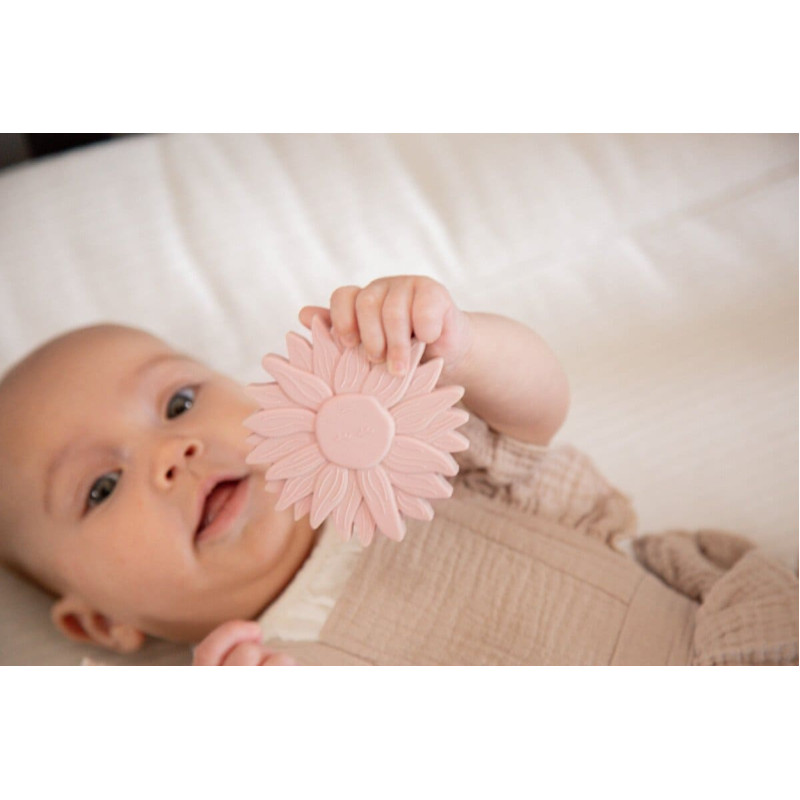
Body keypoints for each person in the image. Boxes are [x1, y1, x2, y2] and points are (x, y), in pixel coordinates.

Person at [0, 276, 796, 666]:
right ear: (100, 624)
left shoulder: (401, 458)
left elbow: (533, 416)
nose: (168, 455)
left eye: (178, 403)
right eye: (100, 488)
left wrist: (459, 346)